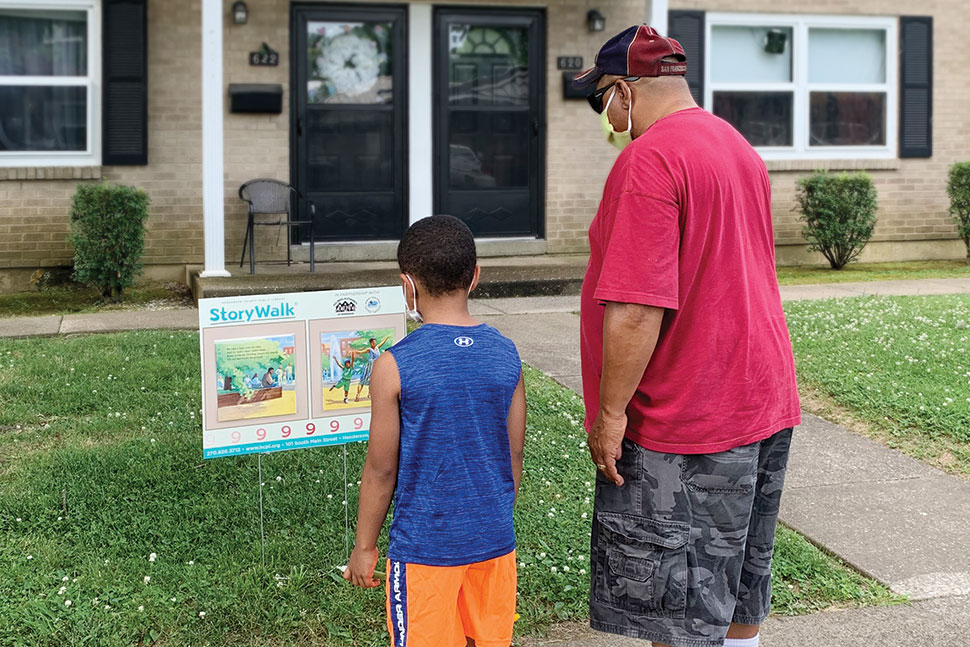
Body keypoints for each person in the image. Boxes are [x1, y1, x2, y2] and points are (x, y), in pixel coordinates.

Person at [573, 25, 801, 647]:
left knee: (676, 609)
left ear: (624, 90)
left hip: (687, 418)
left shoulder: (648, 161)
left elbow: (637, 310)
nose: (607, 116)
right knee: (738, 586)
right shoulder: (736, 146)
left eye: (602, 100)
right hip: (760, 398)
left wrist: (612, 413)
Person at [343, 215, 526, 647]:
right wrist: (491, 519)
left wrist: (365, 547)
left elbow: (381, 470)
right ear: (476, 276)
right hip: (495, 544)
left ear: (408, 285)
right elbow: (513, 457)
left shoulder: (392, 366)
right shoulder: (507, 355)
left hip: (424, 551)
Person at [355, 335, 392, 402]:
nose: (374, 343)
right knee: (363, 380)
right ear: (371, 343)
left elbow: (382, 342)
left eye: (375, 342)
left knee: (373, 380)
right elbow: (361, 352)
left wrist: (387, 337)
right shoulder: (369, 349)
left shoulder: (377, 348)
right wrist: (355, 351)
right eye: (373, 342)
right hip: (370, 366)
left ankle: (370, 394)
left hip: (376, 365)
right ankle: (358, 395)